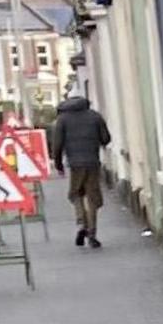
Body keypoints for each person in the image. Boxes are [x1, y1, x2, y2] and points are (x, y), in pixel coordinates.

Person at [47, 90, 111, 246]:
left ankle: (82, 222)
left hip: (75, 164)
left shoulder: (62, 119)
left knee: (75, 194)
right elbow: (106, 138)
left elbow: (57, 144)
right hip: (92, 162)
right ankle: (92, 231)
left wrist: (58, 163)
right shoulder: (95, 116)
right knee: (93, 198)